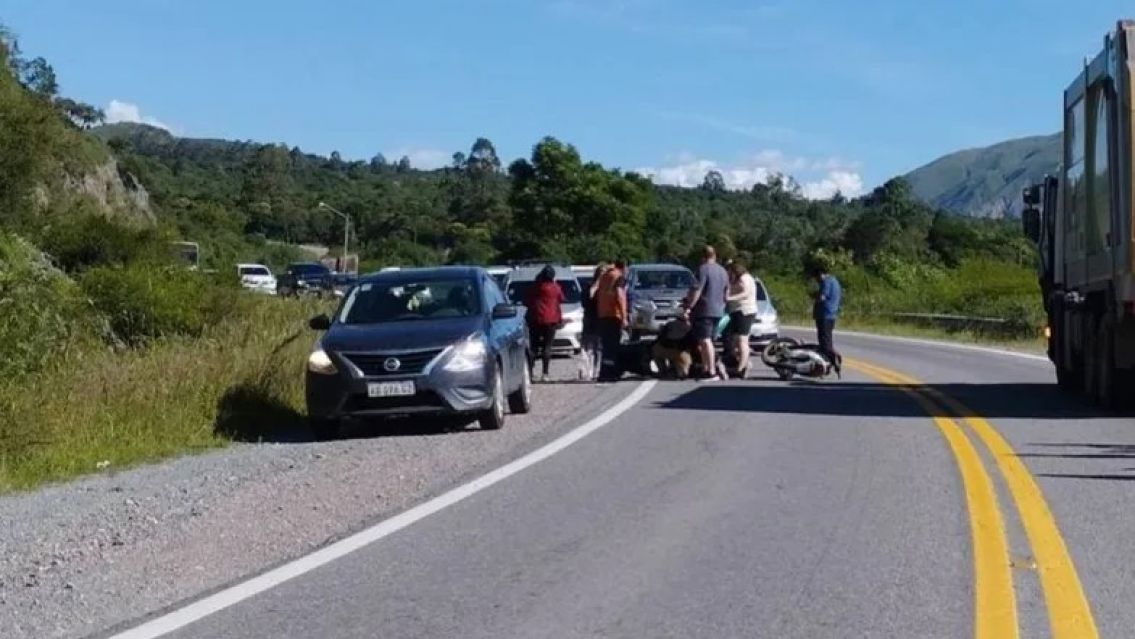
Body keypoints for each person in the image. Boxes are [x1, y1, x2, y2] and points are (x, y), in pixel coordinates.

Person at [684, 245, 730, 381]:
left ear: (703, 257)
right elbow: (727, 293)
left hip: (705, 309)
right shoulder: (723, 271)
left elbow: (697, 290)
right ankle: (705, 368)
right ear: (714, 255)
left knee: (705, 340)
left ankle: (711, 371)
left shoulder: (702, 270)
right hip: (719, 309)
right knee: (706, 339)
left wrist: (689, 306)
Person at [524, 265, 564, 383]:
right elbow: (561, 299)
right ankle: (545, 373)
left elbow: (525, 301)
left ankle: (530, 373)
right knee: (547, 347)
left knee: (533, 347)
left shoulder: (534, 287)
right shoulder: (555, 287)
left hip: (535, 319)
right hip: (551, 320)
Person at [595, 259, 628, 382]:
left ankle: (604, 373)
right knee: (613, 347)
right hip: (614, 315)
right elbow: (619, 296)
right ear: (624, 267)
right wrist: (624, 317)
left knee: (606, 347)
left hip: (603, 315)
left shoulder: (605, 276)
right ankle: (612, 373)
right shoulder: (619, 277)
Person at [579, 262, 611, 380]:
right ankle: (586, 371)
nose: (602, 276)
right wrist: (596, 285)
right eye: (600, 273)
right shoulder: (589, 286)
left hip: (602, 319)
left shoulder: (607, 288)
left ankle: (598, 371)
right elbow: (586, 301)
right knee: (587, 346)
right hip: (590, 318)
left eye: (604, 273)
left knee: (599, 347)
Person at [725, 261, 758, 378]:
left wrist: (729, 298)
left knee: (742, 339)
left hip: (745, 311)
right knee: (733, 340)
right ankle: (743, 362)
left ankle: (741, 368)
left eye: (730, 271)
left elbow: (745, 293)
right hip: (736, 311)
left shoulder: (745, 278)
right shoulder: (734, 280)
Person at [811, 261, 843, 376]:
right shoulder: (835, 282)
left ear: (820, 274)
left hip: (825, 315)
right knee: (826, 341)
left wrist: (815, 297)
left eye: (817, 278)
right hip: (831, 315)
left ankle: (834, 358)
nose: (817, 281)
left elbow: (822, 297)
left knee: (824, 343)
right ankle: (826, 366)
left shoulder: (826, 282)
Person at [651, 309, 695, 379]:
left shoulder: (669, 324)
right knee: (683, 374)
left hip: (667, 351)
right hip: (684, 353)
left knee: (655, 348)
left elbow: (659, 340)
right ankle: (681, 371)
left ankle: (663, 371)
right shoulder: (693, 327)